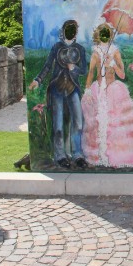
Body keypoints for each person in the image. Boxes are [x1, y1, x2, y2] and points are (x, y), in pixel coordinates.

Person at [81, 23, 133, 168]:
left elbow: (122, 75)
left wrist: (112, 63)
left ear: (110, 35)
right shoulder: (95, 52)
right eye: (102, 33)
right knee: (96, 123)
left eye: (107, 33)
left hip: (113, 90)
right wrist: (87, 90)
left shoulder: (115, 51)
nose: (105, 36)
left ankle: (116, 155)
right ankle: (99, 155)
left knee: (116, 123)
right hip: (98, 90)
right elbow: (91, 73)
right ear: (98, 35)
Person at [29, 19, 87, 170]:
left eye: (73, 29)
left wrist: (74, 68)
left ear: (76, 32)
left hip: (73, 88)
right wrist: (38, 80)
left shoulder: (80, 49)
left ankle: (77, 155)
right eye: (68, 29)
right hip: (57, 88)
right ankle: (60, 156)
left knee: (78, 122)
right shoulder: (56, 47)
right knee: (58, 125)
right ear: (63, 31)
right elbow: (48, 66)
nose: (70, 32)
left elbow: (84, 70)